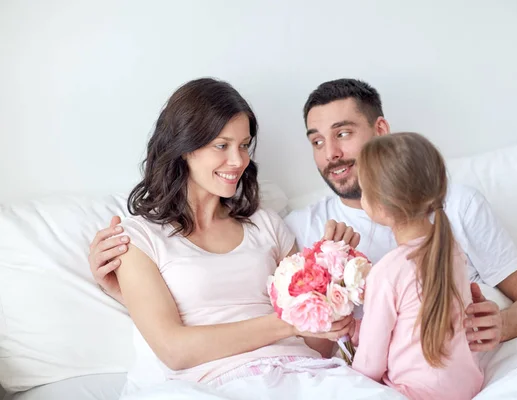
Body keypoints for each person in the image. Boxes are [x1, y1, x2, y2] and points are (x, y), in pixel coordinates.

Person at [105, 77, 403, 399]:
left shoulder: (266, 225)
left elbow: (317, 345)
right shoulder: (137, 238)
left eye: (244, 145)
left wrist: (331, 281)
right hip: (216, 385)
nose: (238, 161)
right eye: (222, 145)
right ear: (184, 148)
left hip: (304, 373)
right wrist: (287, 324)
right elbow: (174, 350)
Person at [283, 78, 517, 351]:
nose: (331, 153)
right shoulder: (304, 228)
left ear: (380, 130)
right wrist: (325, 272)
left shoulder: (458, 204)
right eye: (317, 142)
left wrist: (501, 325)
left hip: (469, 363)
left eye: (342, 134)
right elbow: (316, 355)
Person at [349, 132, 484, 399]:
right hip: (468, 386)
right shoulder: (452, 250)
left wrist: (350, 375)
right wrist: (357, 329)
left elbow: (370, 364)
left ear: (381, 207)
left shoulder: (387, 271)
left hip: (412, 392)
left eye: (363, 191)